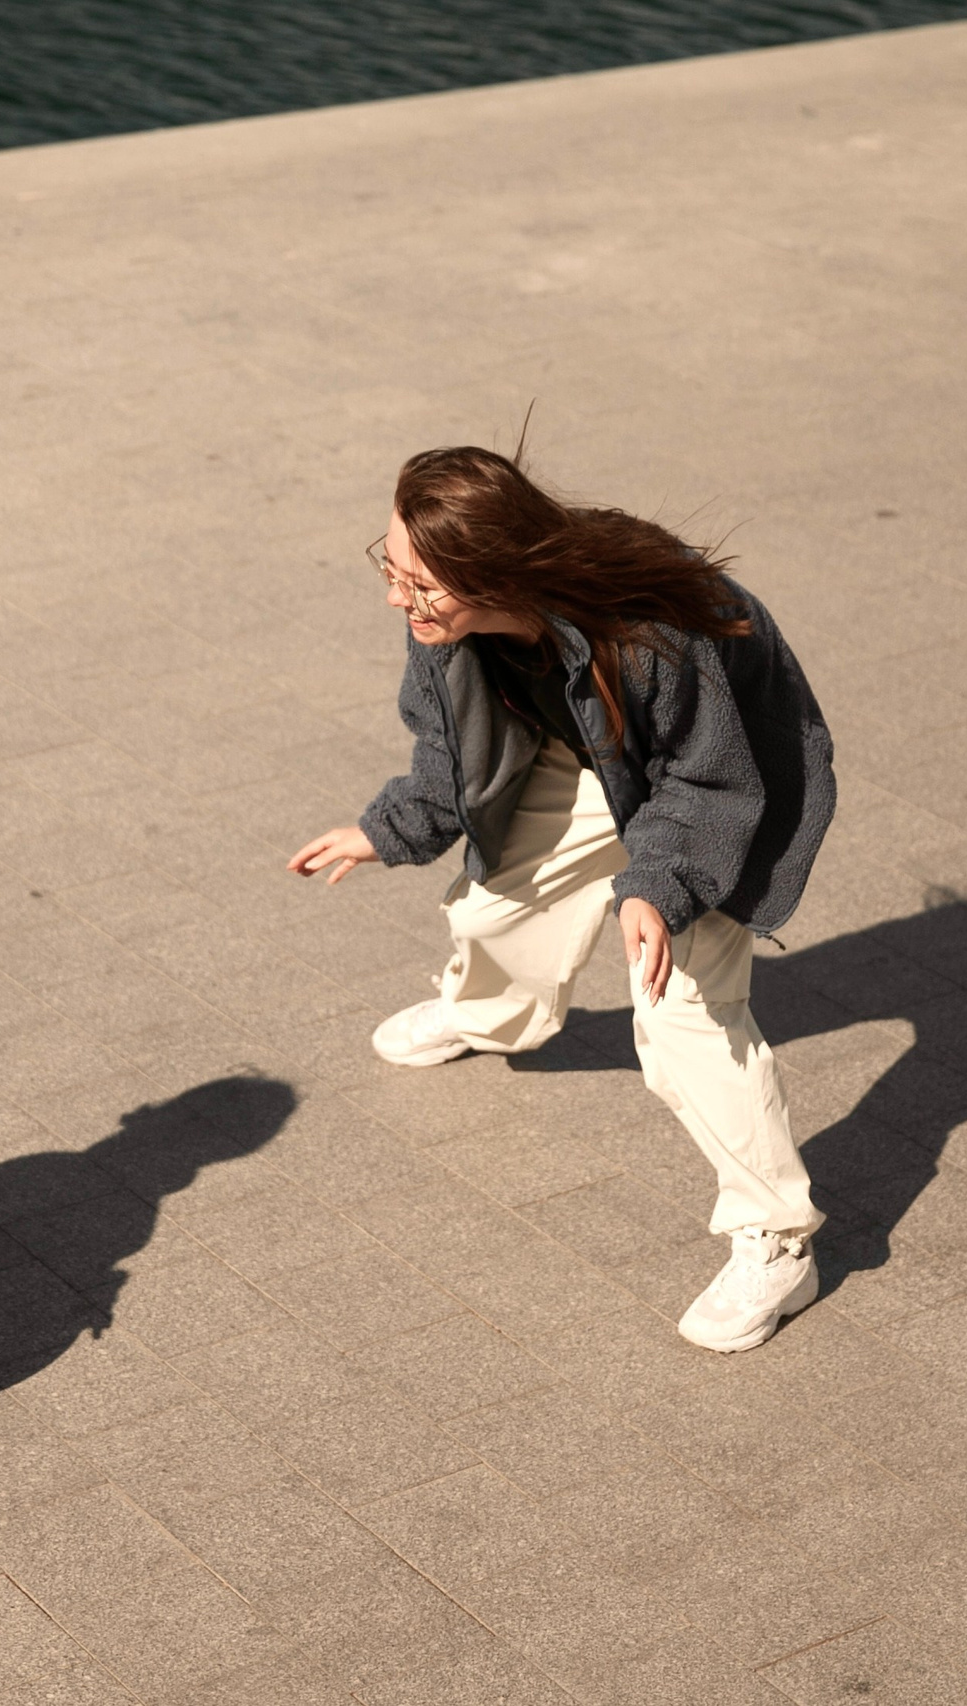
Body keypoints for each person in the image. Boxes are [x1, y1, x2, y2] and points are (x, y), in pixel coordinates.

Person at [289, 446, 836, 1353]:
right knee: (492, 910)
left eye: (419, 584)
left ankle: (779, 1241)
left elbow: (707, 785)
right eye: (390, 566)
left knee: (681, 1014)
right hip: (593, 750)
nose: (398, 597)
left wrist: (654, 889)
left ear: (496, 573)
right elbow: (449, 746)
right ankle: (492, 1012)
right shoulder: (443, 620)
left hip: (721, 778)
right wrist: (392, 831)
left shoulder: (653, 635)